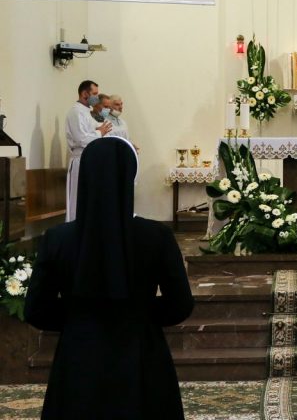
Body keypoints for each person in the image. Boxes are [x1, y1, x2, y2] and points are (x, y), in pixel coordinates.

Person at [24, 136, 194, 419]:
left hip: (78, 357)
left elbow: (36, 309)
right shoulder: (156, 236)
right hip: (141, 356)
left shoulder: (58, 239)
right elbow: (181, 305)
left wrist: (78, 316)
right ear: (130, 178)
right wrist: (141, 313)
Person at [65, 80, 112, 221]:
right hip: (80, 160)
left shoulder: (87, 113)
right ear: (85, 93)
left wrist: (100, 132)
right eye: (95, 94)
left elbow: (94, 132)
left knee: (90, 200)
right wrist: (99, 132)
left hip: (90, 160)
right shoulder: (76, 112)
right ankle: (75, 229)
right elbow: (81, 139)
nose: (97, 98)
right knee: (78, 200)